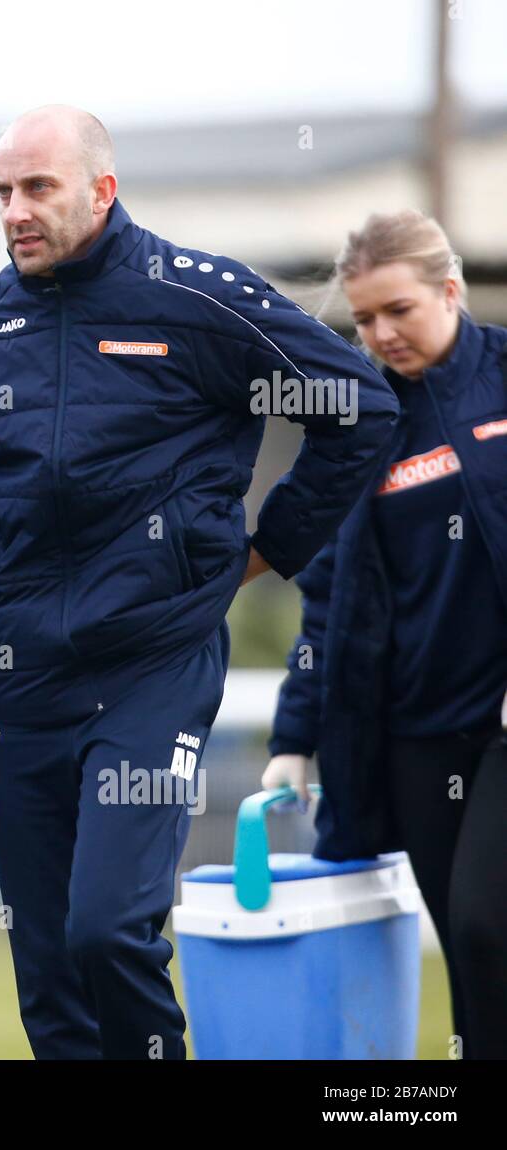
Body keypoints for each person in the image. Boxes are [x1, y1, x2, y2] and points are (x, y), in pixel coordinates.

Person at [0, 105, 399, 1060]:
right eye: (2, 193)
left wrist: (265, 549)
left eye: (38, 188)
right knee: (50, 983)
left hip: (156, 670)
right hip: (27, 689)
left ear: (103, 190)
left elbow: (359, 406)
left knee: (107, 929)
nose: (15, 211)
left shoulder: (199, 300)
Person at [264, 208, 507, 1060]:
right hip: (412, 734)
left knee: (486, 925)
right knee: (470, 954)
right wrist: (294, 738)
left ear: (451, 289)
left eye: (397, 310)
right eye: (363, 319)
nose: (379, 334)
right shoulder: (359, 426)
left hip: (500, 730)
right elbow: (327, 599)